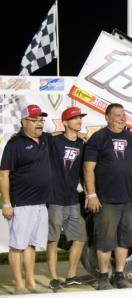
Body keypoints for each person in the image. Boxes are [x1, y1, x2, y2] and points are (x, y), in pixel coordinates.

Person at [83, 103, 132, 290]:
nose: (122, 118)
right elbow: (88, 168)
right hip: (105, 200)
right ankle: (103, 277)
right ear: (107, 117)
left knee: (125, 239)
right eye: (117, 115)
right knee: (105, 240)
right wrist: (92, 194)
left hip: (128, 200)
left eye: (123, 115)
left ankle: (119, 274)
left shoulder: (131, 139)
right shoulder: (98, 138)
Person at [0, 104, 51, 294]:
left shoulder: (45, 139)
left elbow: (61, 136)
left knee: (31, 245)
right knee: (17, 246)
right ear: (24, 122)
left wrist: (79, 136)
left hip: (40, 203)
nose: (39, 123)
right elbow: (3, 175)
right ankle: (19, 285)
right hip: (21, 203)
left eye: (41, 120)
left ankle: (30, 282)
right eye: (35, 120)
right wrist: (6, 203)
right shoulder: (14, 144)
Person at [46, 107, 88, 290]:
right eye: (74, 118)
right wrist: (59, 131)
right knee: (53, 239)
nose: (79, 120)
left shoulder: (82, 145)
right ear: (65, 122)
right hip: (55, 198)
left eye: (80, 117)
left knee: (80, 237)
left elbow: (85, 172)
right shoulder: (54, 141)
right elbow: (36, 137)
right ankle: (54, 277)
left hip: (72, 198)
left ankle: (71, 275)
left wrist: (88, 192)